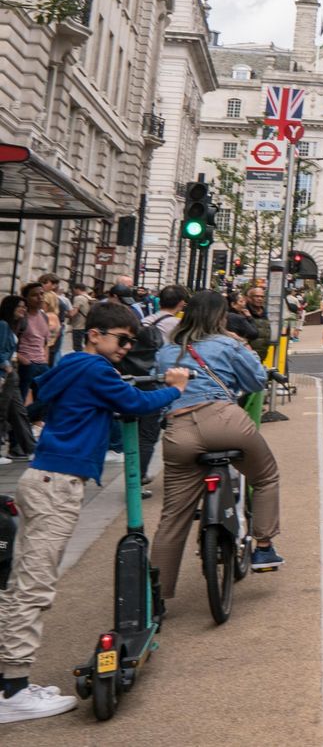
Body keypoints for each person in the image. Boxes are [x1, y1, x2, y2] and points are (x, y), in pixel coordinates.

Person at [0, 301, 187, 723]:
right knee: (35, 587)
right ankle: (13, 692)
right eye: (121, 339)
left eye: (131, 341)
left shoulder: (69, 366)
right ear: (95, 335)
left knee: (23, 581)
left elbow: (43, 401)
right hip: (58, 485)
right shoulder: (96, 369)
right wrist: (175, 387)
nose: (126, 347)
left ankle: (10, 682)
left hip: (42, 479)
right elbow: (136, 403)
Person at [152, 291, 284, 601]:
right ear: (220, 317)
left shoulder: (166, 351)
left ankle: (154, 596)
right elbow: (256, 382)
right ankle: (263, 548)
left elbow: (157, 387)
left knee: (173, 516)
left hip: (179, 429)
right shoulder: (228, 344)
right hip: (225, 421)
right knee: (265, 476)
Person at [0, 296, 33, 462]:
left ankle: (30, 448)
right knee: (2, 412)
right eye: (20, 306)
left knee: (19, 412)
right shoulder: (3, 325)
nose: (23, 309)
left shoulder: (15, 325)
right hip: (5, 374)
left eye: (24, 306)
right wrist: (5, 370)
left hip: (11, 374)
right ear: (10, 307)